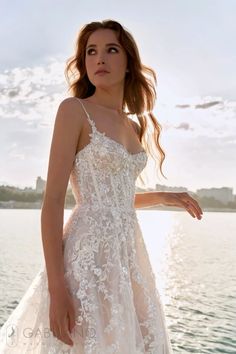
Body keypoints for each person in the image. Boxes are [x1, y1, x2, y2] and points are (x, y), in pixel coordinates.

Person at [0, 19, 203, 353]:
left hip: (128, 259)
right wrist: (57, 289)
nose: (99, 59)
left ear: (128, 63)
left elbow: (117, 199)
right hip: (85, 258)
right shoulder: (75, 111)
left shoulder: (134, 126)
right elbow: (52, 201)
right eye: (91, 51)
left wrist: (168, 196)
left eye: (111, 50)